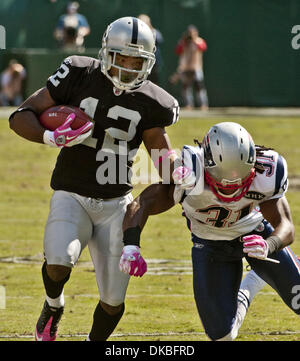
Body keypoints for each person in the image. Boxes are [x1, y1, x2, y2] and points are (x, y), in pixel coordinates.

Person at [8, 16, 185, 341]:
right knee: (60, 260)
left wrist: (181, 170)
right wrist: (50, 138)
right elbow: (21, 116)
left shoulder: (153, 101)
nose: (129, 68)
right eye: (122, 59)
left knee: (113, 301)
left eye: (137, 62)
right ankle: (53, 305)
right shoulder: (78, 73)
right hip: (71, 192)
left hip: (117, 202)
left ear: (148, 62)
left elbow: (162, 159)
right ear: (107, 52)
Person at [120, 121, 300, 340]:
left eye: (242, 180)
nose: (233, 189)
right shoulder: (188, 176)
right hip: (210, 244)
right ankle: (249, 288)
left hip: (254, 233)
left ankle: (260, 271)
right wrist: (131, 245)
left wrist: (268, 244)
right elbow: (142, 203)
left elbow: (287, 227)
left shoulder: (267, 171)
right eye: (223, 182)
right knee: (222, 336)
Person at [170, 25, 208, 110]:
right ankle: (189, 104)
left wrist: (194, 40)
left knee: (199, 87)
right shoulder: (183, 42)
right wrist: (184, 42)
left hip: (196, 67)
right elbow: (178, 50)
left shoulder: (199, 41)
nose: (191, 35)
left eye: (193, 33)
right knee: (186, 88)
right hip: (186, 68)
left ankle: (203, 104)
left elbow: (203, 47)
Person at [138, 14, 164, 85]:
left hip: (153, 64)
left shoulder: (154, 32)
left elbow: (159, 39)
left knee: (153, 84)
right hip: (140, 63)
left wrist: (149, 30)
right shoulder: (138, 34)